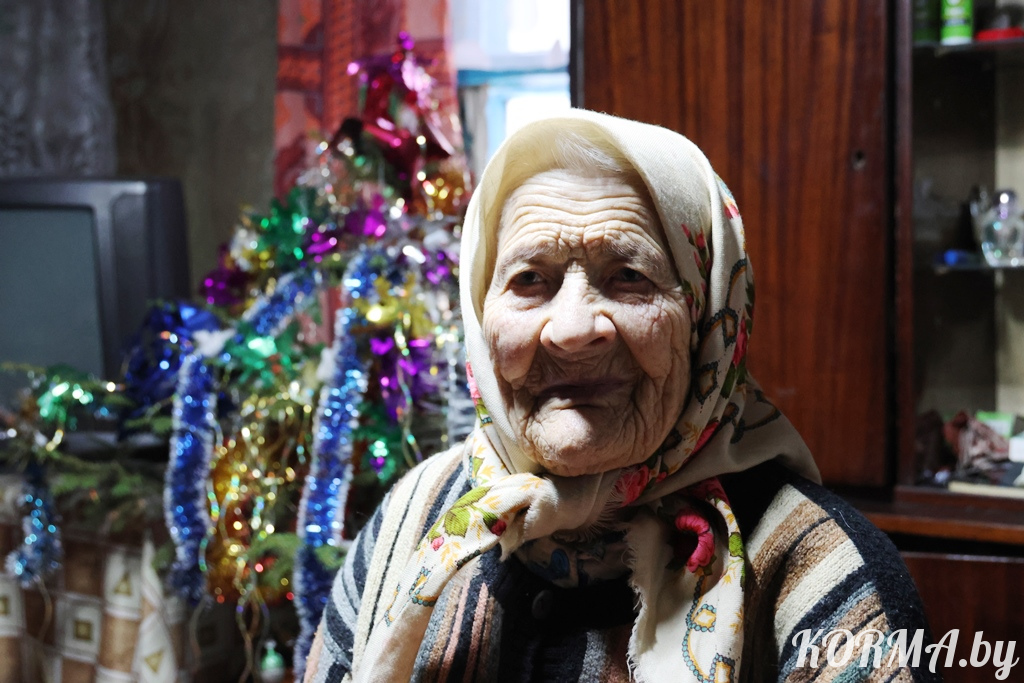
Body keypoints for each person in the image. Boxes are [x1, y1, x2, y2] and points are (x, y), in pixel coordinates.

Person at [303, 110, 933, 682]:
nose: (573, 329)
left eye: (629, 276)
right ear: (480, 311)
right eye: (530, 279)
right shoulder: (408, 524)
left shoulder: (824, 573)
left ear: (708, 319)